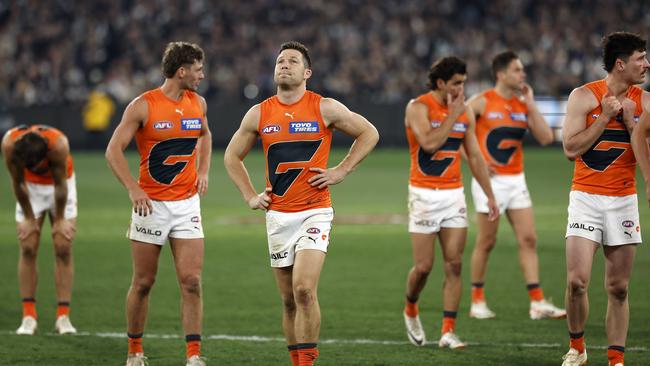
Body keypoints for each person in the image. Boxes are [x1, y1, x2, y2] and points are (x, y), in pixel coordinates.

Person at [224, 41, 379, 366]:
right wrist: (251, 196)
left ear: (306, 72)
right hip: (278, 217)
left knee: (304, 290)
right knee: (288, 301)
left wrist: (342, 170)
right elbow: (231, 157)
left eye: (292, 61)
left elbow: (368, 133)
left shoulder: (325, 108)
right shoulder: (259, 113)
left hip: (315, 211)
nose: (284, 65)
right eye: (280, 60)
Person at [105, 41, 212, 366]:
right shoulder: (143, 106)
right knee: (143, 281)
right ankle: (134, 350)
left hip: (187, 206)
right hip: (150, 206)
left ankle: (193, 356)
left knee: (192, 281)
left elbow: (205, 135)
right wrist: (133, 188)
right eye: (197, 69)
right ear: (182, 71)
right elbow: (113, 151)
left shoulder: (199, 104)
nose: (202, 75)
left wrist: (203, 169)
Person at [560, 31, 650, 366]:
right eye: (641, 58)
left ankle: (616, 360)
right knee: (577, 282)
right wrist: (604, 117)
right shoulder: (584, 97)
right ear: (620, 63)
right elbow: (570, 149)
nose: (646, 64)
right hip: (585, 197)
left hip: (624, 200)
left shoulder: (646, 102)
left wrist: (631, 124)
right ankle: (577, 347)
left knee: (619, 288)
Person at [401, 56, 498, 349]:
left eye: (464, 82)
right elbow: (429, 143)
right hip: (423, 195)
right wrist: (452, 115)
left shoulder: (464, 113)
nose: (462, 88)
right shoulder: (417, 107)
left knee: (454, 265)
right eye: (457, 82)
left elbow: (476, 156)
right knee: (423, 268)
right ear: (441, 83)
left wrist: (490, 195)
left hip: (453, 194)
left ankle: (448, 331)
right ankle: (410, 307)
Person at [466, 50, 566, 320]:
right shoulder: (481, 102)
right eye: (517, 70)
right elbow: (457, 133)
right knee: (487, 241)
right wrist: (474, 161)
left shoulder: (523, 105)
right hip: (490, 183)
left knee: (529, 239)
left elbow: (546, 138)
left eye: (522, 70)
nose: (522, 74)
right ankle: (477, 300)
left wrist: (531, 105)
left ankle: (537, 302)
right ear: (501, 74)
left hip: (516, 179)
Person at [2, 124, 78, 335]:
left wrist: (61, 219)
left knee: (63, 245)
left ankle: (63, 317)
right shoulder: (10, 144)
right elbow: (17, 182)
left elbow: (61, 185)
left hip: (61, 184)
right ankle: (28, 316)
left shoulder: (59, 145)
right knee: (27, 246)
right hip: (29, 187)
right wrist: (28, 217)